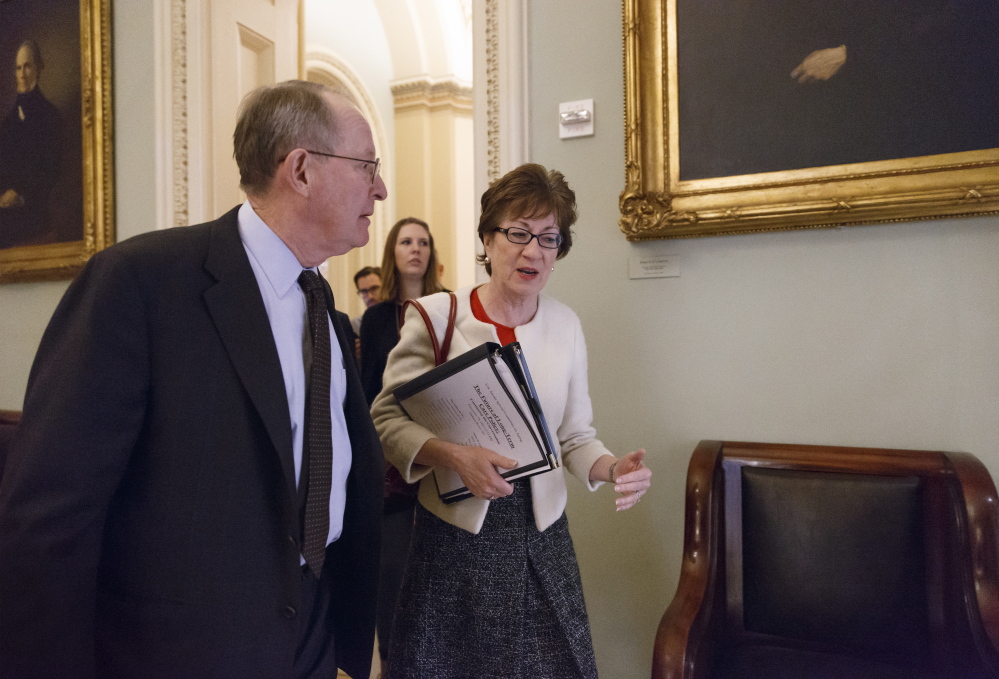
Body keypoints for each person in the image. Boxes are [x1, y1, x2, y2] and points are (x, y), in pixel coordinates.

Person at [0, 80, 387, 679]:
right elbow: (50, 520)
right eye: (366, 165)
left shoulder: (328, 314)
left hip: (311, 642)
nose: (379, 187)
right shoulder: (138, 284)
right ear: (302, 170)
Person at [371, 163, 653, 678]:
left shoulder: (566, 326)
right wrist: (452, 456)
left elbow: (574, 437)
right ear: (487, 237)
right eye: (518, 233)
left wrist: (613, 468)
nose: (533, 251)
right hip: (454, 541)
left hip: (542, 539)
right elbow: (385, 416)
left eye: (549, 238)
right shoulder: (436, 316)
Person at [358, 216, 443, 666]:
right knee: (391, 575)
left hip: (440, 451)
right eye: (406, 241)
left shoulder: (449, 309)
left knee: (435, 575)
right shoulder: (375, 318)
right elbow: (368, 388)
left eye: (424, 242)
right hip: (389, 460)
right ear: (392, 251)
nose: (416, 249)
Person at [0, 39, 62, 249]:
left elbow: (52, 171)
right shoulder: (7, 123)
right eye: (18, 68)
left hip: (36, 219)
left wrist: (22, 195)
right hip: (6, 222)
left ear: (38, 68)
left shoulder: (51, 117)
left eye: (27, 66)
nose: (22, 74)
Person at [352, 264, 382, 334]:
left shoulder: (398, 318)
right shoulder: (355, 326)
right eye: (364, 291)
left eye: (374, 288)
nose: (370, 296)